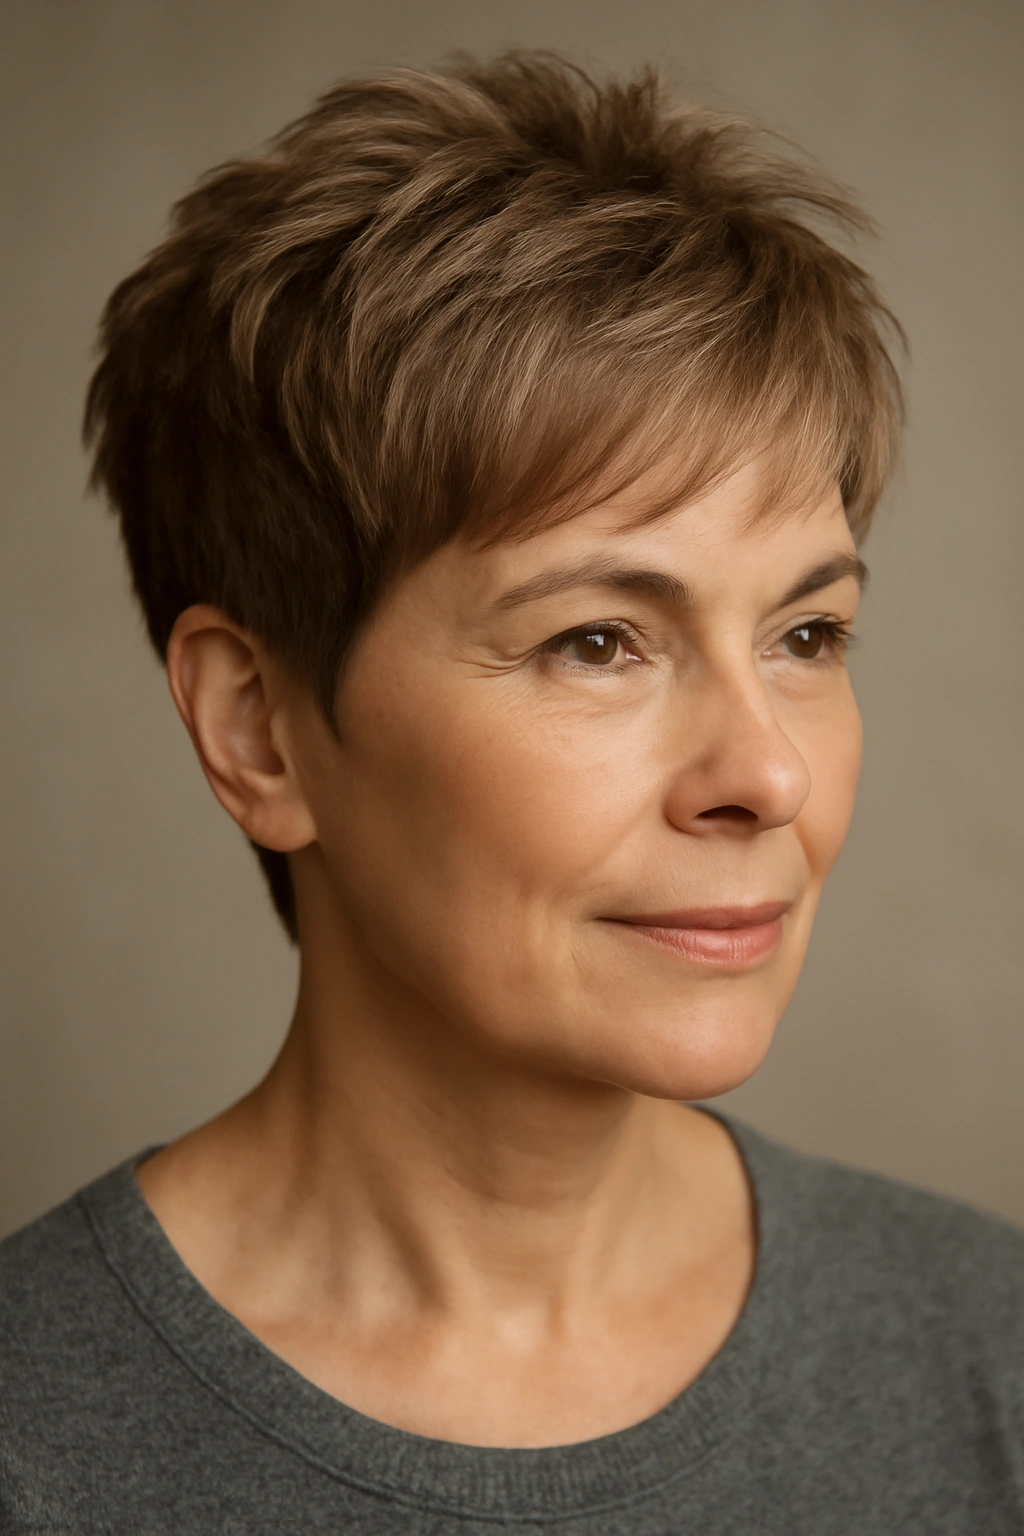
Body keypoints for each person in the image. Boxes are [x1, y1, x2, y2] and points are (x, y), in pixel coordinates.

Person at [1, 50, 1022, 1534]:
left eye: (807, 635)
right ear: (260, 728)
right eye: (597, 641)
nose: (770, 773)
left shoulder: (988, 1351)